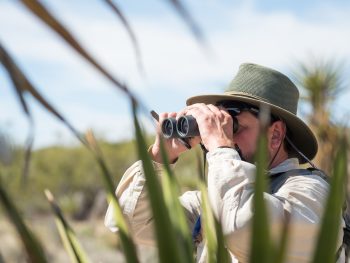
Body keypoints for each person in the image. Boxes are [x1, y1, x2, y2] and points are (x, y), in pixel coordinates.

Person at [105, 63, 344, 262]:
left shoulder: (313, 195)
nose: (224, 131)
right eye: (219, 122)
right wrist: (160, 158)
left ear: (275, 135)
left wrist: (220, 147)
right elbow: (126, 223)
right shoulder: (216, 198)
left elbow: (244, 227)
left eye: (233, 124)